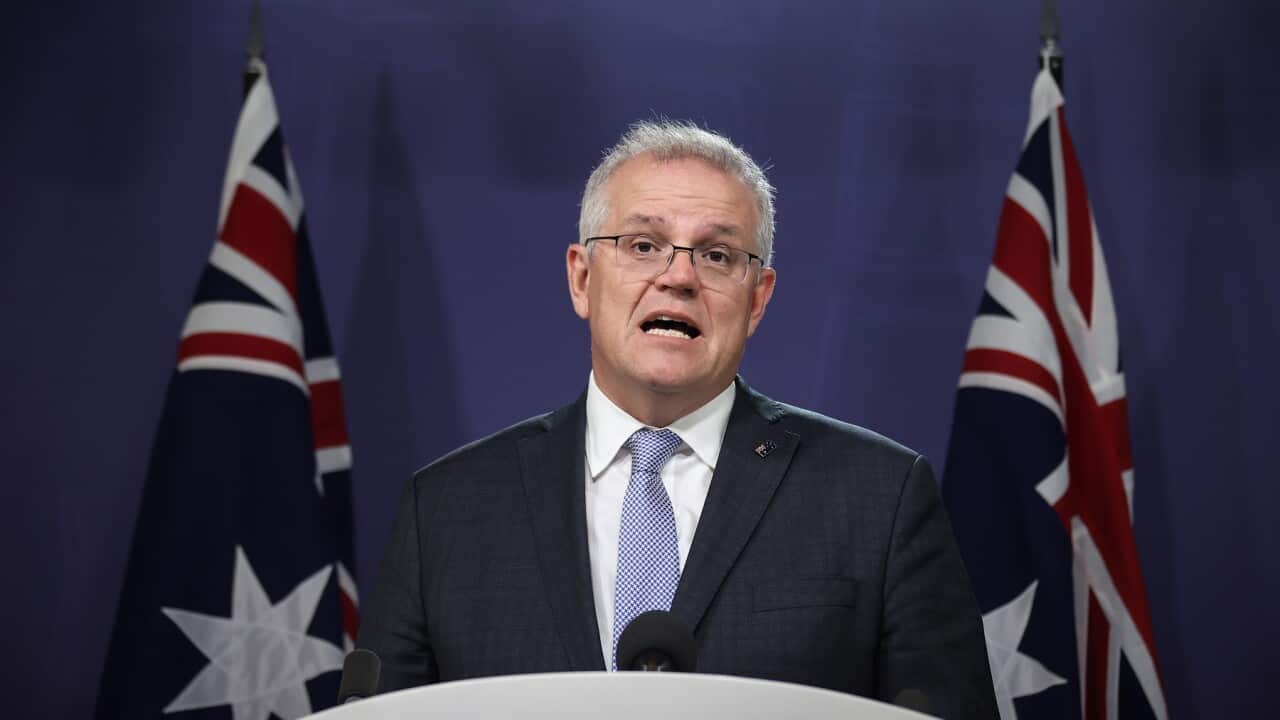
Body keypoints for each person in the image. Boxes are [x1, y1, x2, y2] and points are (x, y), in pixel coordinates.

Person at [358, 120, 998, 717]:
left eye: (718, 256)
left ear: (758, 300)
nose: (680, 276)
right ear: (583, 279)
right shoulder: (444, 511)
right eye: (643, 245)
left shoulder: (878, 499)